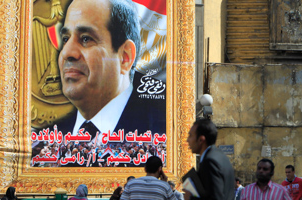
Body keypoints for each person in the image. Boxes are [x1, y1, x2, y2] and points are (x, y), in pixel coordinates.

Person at [31, 0, 166, 167]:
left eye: (86, 39)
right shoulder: (45, 142)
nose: (66, 53)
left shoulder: (162, 128)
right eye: (65, 39)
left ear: (125, 58)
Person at [184, 118, 235, 200]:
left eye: (190, 135)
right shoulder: (221, 156)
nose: (187, 140)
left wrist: (190, 198)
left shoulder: (210, 162)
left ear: (201, 139)